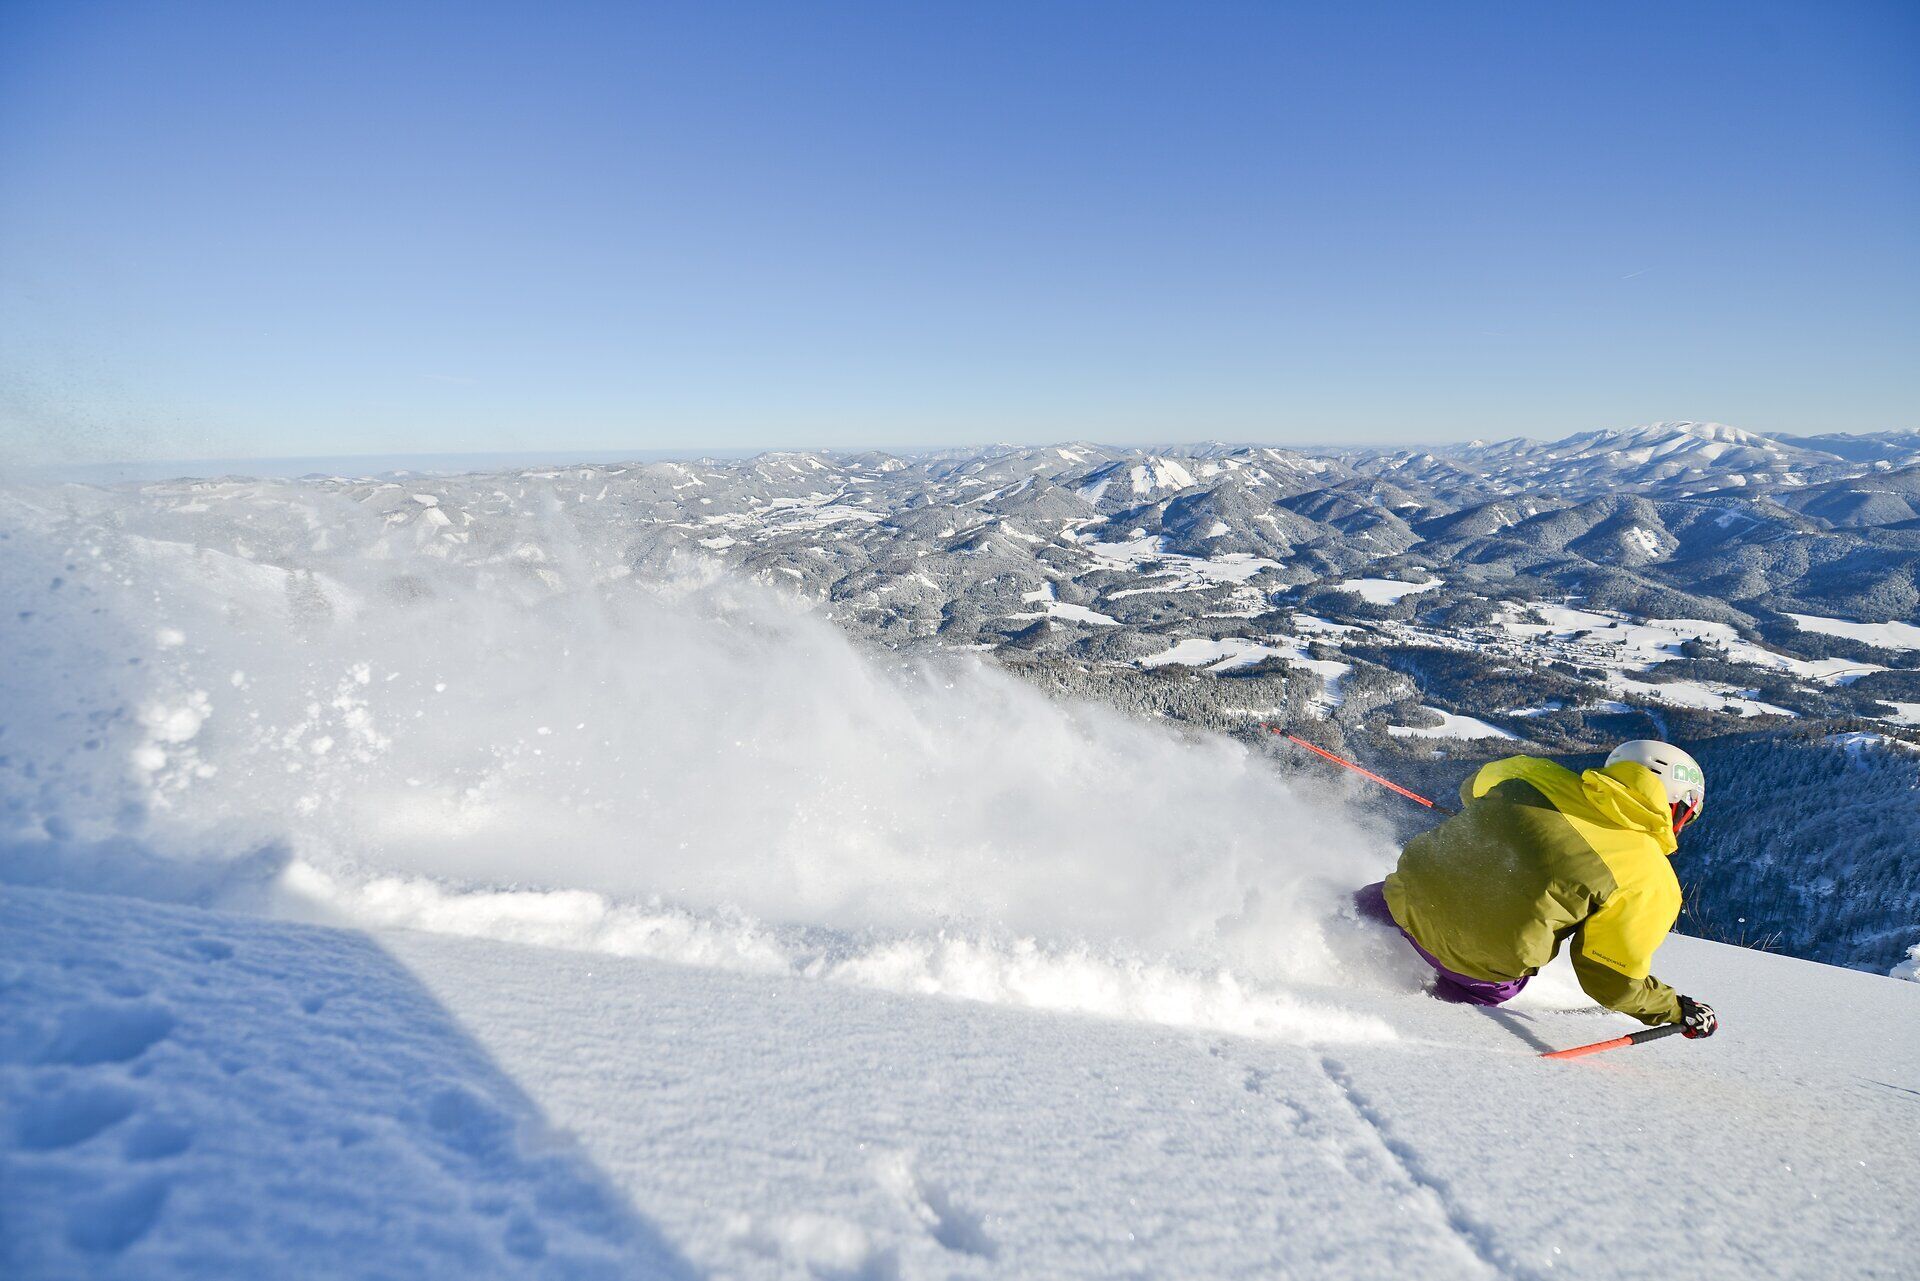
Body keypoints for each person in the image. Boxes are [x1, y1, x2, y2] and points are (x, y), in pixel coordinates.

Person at [1357, 740, 1717, 1038]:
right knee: (1439, 1000)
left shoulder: (1531, 773)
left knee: (1355, 910)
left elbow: (1472, 790)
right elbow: (1611, 977)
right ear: (1678, 808)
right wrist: (1673, 1008)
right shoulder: (1652, 881)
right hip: (1474, 967)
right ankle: (1407, 1013)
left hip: (1401, 899)